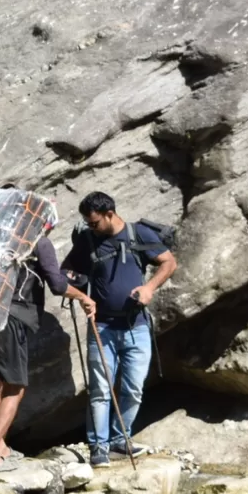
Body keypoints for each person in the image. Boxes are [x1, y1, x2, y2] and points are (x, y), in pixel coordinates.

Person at [0, 205, 94, 473]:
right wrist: (83, 296)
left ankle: (0, 445)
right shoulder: (38, 241)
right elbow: (58, 285)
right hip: (12, 318)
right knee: (15, 387)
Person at [61, 191, 177, 468]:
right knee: (101, 389)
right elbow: (66, 270)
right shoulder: (88, 240)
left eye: (94, 222)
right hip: (101, 326)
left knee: (134, 388)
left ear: (110, 214)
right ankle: (98, 447)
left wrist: (149, 288)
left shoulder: (139, 234)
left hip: (136, 325)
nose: (91, 227)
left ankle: (118, 440)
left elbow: (169, 262)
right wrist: (80, 292)